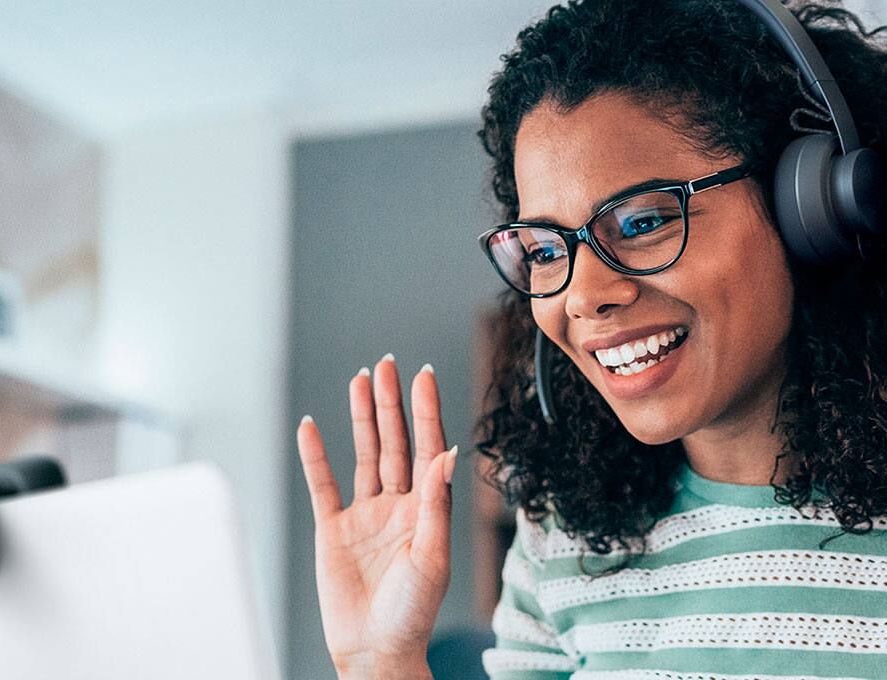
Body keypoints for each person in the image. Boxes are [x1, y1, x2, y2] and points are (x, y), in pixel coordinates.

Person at [295, 0, 887, 678]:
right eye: (547, 250)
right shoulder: (561, 547)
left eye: (640, 223)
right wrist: (382, 662)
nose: (582, 296)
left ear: (811, 207)